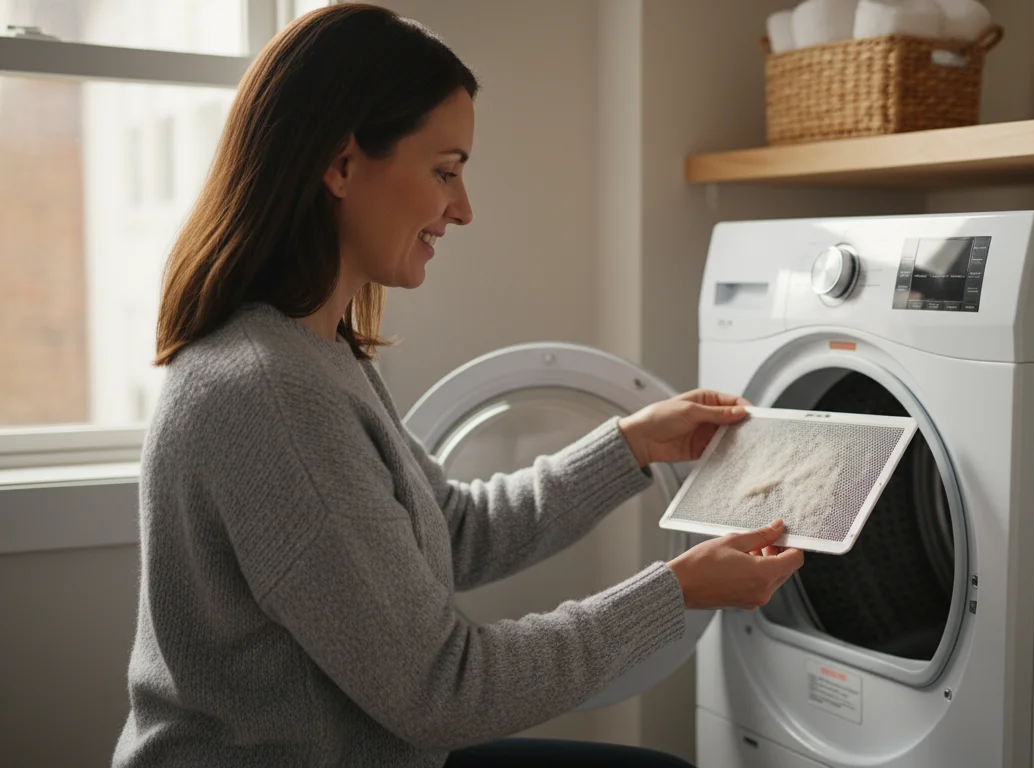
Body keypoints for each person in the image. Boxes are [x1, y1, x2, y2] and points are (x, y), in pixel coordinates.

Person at [110, 4, 804, 767]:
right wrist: (676, 590)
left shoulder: (312, 353)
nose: (463, 209)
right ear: (340, 165)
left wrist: (629, 446)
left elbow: (449, 533)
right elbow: (446, 694)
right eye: (445, 172)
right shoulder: (269, 391)